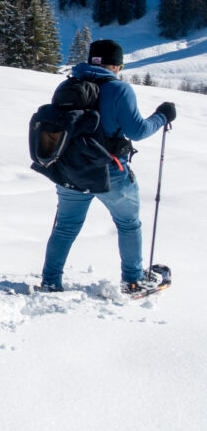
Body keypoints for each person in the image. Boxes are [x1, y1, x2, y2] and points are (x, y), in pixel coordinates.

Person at [41, 39, 176, 294]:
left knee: (66, 227)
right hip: (110, 173)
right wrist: (163, 115)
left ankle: (50, 281)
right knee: (128, 224)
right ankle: (133, 281)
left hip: (70, 171)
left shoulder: (67, 85)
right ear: (116, 65)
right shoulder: (119, 90)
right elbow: (137, 131)